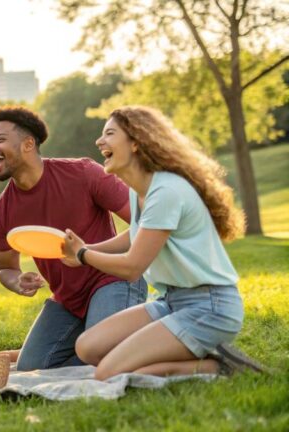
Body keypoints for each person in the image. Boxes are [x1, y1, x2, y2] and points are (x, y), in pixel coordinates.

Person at [62, 105, 261, 379]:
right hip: (170, 301)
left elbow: (132, 267)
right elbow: (136, 236)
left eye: (109, 133)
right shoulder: (140, 190)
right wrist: (88, 249)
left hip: (210, 307)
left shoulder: (166, 190)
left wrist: (83, 254)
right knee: (87, 347)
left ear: (135, 142)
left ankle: (219, 365)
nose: (99, 141)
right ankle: (189, 349)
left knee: (106, 373)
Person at [0, 105, 147, 371]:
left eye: (0, 140)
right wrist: (17, 281)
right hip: (67, 299)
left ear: (28, 144)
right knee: (31, 367)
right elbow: (6, 268)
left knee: (102, 356)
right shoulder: (2, 213)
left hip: (112, 279)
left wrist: (86, 252)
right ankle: (104, 335)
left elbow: (145, 221)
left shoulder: (82, 173)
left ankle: (151, 333)